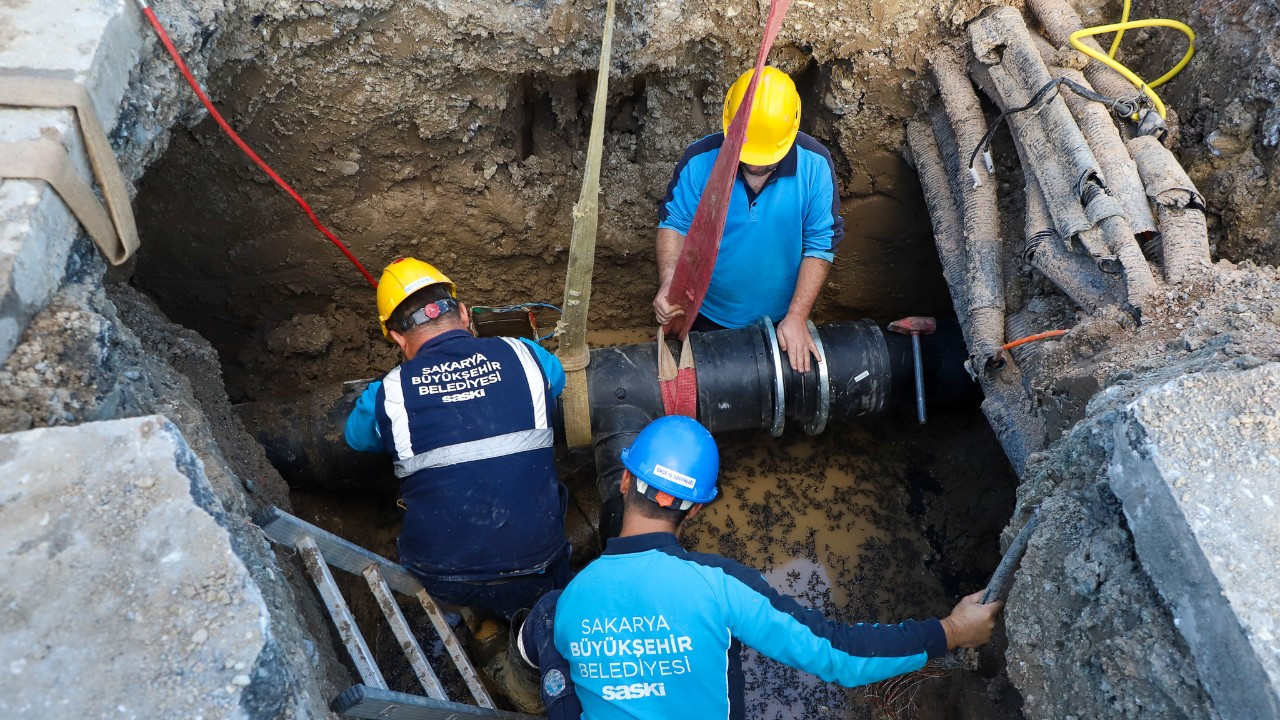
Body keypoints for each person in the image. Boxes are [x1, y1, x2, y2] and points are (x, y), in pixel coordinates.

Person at [516, 416, 1003, 719]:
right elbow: (842, 656)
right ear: (697, 509)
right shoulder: (718, 587)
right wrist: (953, 630)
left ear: (624, 481)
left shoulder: (567, 603)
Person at [344, 257, 571, 620]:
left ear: (399, 338)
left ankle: (478, 624)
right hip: (539, 561)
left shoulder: (388, 394)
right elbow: (556, 381)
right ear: (465, 314)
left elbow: (356, 437)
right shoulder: (527, 355)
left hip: (447, 576)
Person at [653, 66, 844, 373]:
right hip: (704, 312)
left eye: (765, 161)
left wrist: (797, 316)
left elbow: (820, 245)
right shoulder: (701, 161)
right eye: (746, 156)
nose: (754, 166)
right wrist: (669, 286)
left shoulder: (815, 166)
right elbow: (674, 225)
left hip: (782, 321)